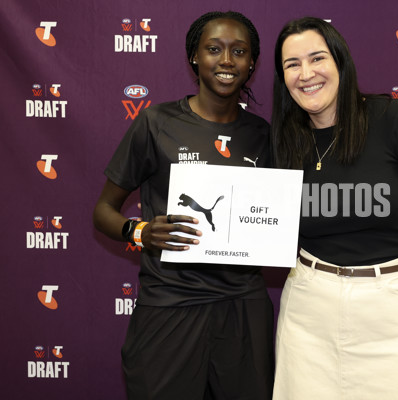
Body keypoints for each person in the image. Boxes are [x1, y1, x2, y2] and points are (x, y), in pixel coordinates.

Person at [271, 17, 398, 399]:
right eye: (292, 65)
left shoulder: (393, 120)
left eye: (317, 58)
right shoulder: (283, 140)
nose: (306, 74)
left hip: (396, 313)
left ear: (340, 61)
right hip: (309, 315)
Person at [93, 11, 273, 400]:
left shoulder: (264, 136)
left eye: (239, 52)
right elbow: (104, 210)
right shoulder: (156, 123)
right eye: (214, 49)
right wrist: (139, 231)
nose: (226, 61)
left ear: (252, 63)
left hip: (243, 308)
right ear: (194, 56)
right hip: (170, 304)